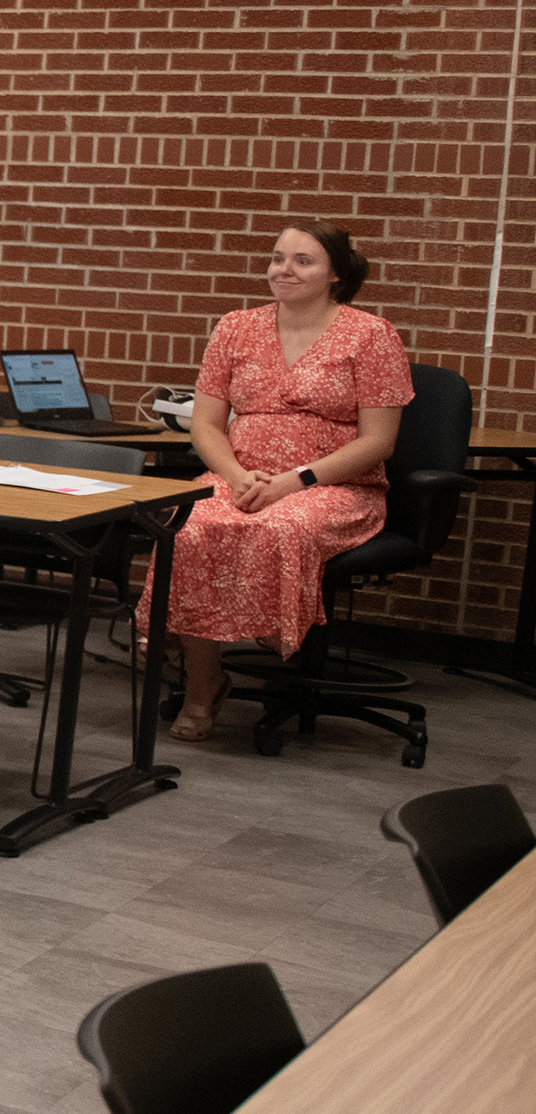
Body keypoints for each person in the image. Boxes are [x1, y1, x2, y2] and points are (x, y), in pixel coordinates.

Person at [152, 222, 412, 741]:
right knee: (187, 529)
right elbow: (204, 424)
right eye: (277, 257)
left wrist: (294, 481)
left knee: (280, 527)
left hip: (333, 486)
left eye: (302, 260)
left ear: (336, 273)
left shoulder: (371, 335)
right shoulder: (234, 327)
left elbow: (378, 442)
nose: (282, 269)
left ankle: (274, 641)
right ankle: (205, 683)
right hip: (240, 476)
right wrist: (237, 476)